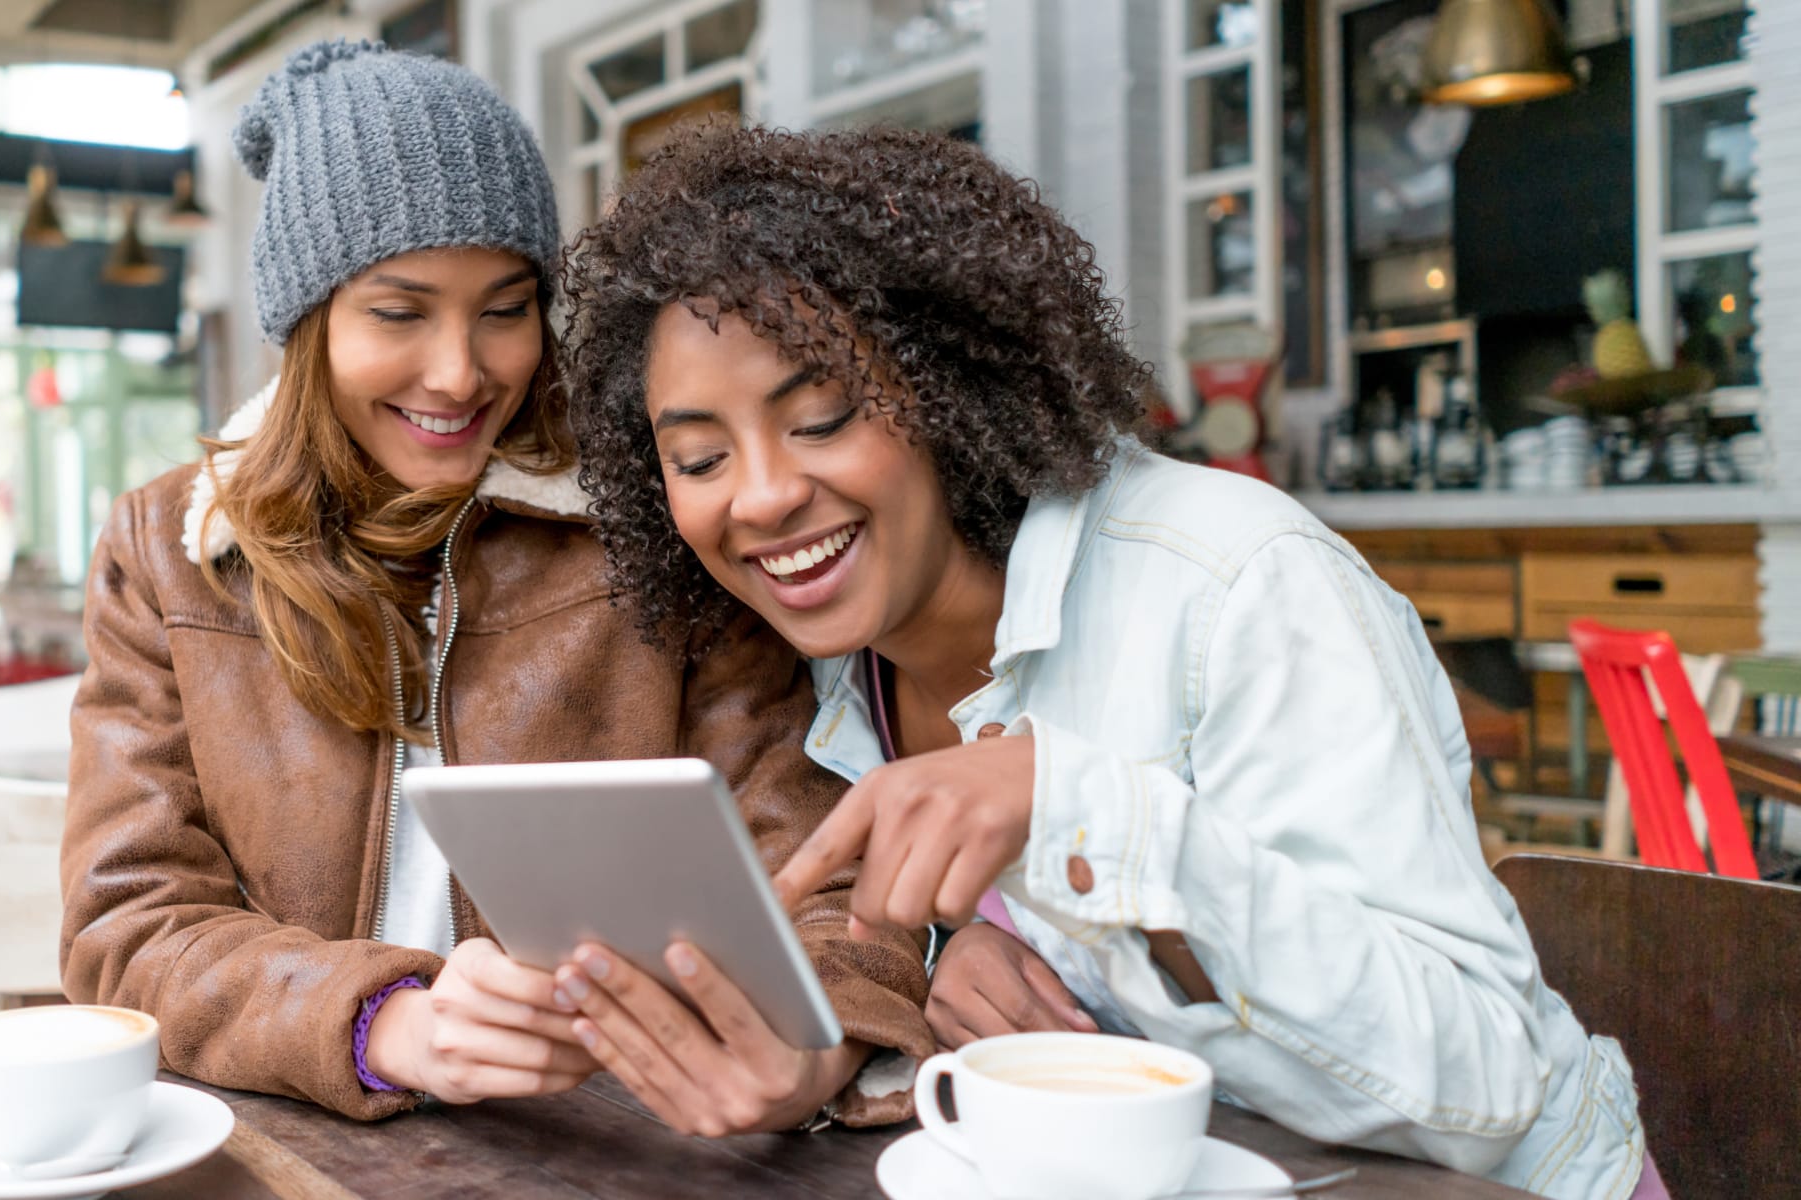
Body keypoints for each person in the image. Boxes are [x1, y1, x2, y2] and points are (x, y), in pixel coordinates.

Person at [561, 123, 1659, 1199]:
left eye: (823, 415)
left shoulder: (1234, 578)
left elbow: (1483, 1084)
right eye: (698, 456)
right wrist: (948, 967)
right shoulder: (820, 664)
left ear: (945, 386)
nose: (758, 496)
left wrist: (1080, 807)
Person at [58, 42, 932, 1134]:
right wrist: (382, 1020)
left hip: (620, 1142)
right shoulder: (171, 548)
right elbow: (128, 924)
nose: (461, 371)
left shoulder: (647, 522)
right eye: (399, 311)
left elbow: (830, 869)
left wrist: (819, 1043)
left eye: (504, 308)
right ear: (310, 319)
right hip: (295, 1145)